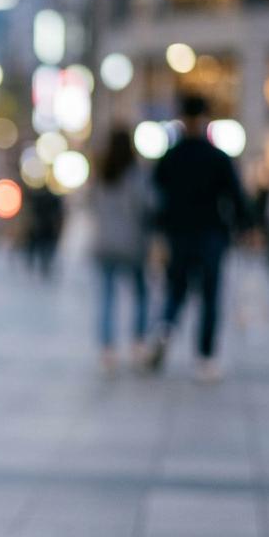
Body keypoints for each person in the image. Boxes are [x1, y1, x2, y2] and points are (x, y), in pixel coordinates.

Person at [146, 95, 251, 382]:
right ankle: (205, 358)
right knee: (209, 296)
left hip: (178, 234)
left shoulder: (171, 156)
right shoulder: (217, 157)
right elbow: (236, 196)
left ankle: (165, 328)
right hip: (211, 234)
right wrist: (246, 226)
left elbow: (155, 198)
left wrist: (158, 231)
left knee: (176, 290)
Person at [89, 126, 152, 373]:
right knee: (141, 293)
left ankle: (107, 348)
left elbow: (92, 204)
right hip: (131, 243)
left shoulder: (102, 173)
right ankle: (137, 341)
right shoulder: (136, 174)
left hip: (104, 243)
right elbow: (147, 205)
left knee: (106, 296)